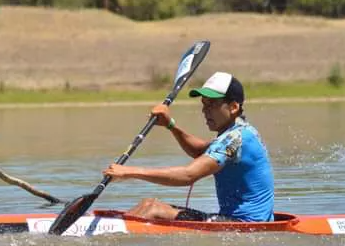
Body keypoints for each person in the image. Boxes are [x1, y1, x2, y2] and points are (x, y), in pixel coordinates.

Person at [102, 71, 274, 223]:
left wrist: (129, 172)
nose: (205, 111)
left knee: (153, 210)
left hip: (244, 225)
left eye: (212, 104)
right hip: (233, 220)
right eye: (204, 104)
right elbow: (200, 151)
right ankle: (112, 226)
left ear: (234, 107)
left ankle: (112, 229)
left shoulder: (235, 139)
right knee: (148, 204)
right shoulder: (239, 132)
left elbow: (188, 175)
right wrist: (170, 125)